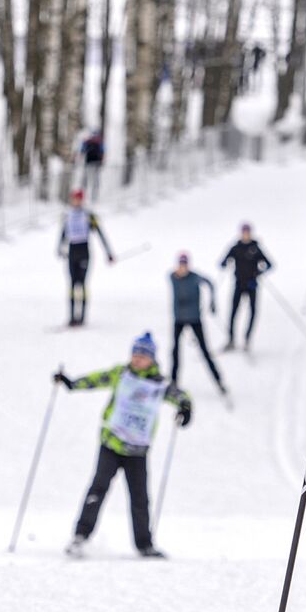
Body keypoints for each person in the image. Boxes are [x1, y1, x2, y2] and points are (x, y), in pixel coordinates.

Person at [57, 333, 192, 559]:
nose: (137, 359)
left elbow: (181, 397)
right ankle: (80, 536)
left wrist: (186, 409)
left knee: (140, 498)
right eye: (135, 354)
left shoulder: (159, 384)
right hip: (112, 442)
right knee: (98, 488)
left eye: (142, 356)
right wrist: (71, 383)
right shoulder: (122, 374)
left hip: (137, 449)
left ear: (151, 359)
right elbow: (96, 379)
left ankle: (144, 544)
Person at [58, 188, 115, 327]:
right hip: (72, 252)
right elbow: (63, 234)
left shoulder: (88, 216)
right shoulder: (68, 215)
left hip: (84, 252)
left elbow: (100, 234)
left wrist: (108, 252)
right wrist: (60, 248)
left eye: (78, 199)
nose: (75, 201)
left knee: (82, 285)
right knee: (72, 285)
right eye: (73, 199)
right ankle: (72, 317)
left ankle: (82, 317)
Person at [169, 253, 226, 393]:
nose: (183, 268)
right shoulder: (172, 277)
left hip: (194, 318)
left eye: (185, 264)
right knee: (175, 351)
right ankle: (173, 381)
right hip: (179, 319)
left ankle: (218, 380)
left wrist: (212, 303)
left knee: (205, 351)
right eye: (181, 265)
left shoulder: (195, 277)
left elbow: (210, 284)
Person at [219, 222, 273, 352]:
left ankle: (247, 339)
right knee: (233, 312)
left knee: (253, 312)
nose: (246, 235)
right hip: (238, 284)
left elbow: (269, 264)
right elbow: (222, 262)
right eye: (244, 232)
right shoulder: (236, 247)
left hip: (252, 285)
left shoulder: (255, 247)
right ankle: (231, 339)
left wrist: (258, 273)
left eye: (248, 232)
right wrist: (226, 263)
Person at [80, 130, 105, 200]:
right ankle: (83, 197)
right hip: (88, 164)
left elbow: (103, 151)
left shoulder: (99, 143)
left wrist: (101, 161)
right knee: (85, 180)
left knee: (95, 181)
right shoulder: (87, 142)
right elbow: (82, 150)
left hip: (96, 164)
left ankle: (94, 197)